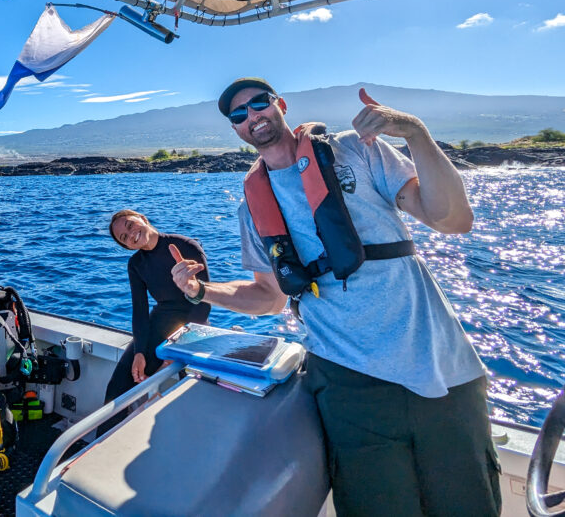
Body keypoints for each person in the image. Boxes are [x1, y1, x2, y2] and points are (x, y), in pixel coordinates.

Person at [170, 79, 501, 517]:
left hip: (440, 365)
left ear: (280, 105)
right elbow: (268, 298)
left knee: (469, 504)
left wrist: (417, 133)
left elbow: (453, 219)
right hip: (347, 380)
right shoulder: (251, 207)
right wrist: (201, 291)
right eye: (239, 115)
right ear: (235, 129)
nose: (252, 116)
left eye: (259, 103)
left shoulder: (356, 149)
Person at [102, 210, 211, 413]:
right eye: (124, 238)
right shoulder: (135, 264)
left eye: (130, 225)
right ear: (127, 247)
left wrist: (178, 347)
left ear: (143, 218)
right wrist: (139, 352)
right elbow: (140, 311)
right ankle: (103, 441)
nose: (131, 234)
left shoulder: (185, 246)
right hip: (159, 323)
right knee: (117, 387)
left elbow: (204, 302)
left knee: (190, 394)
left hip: (193, 324)